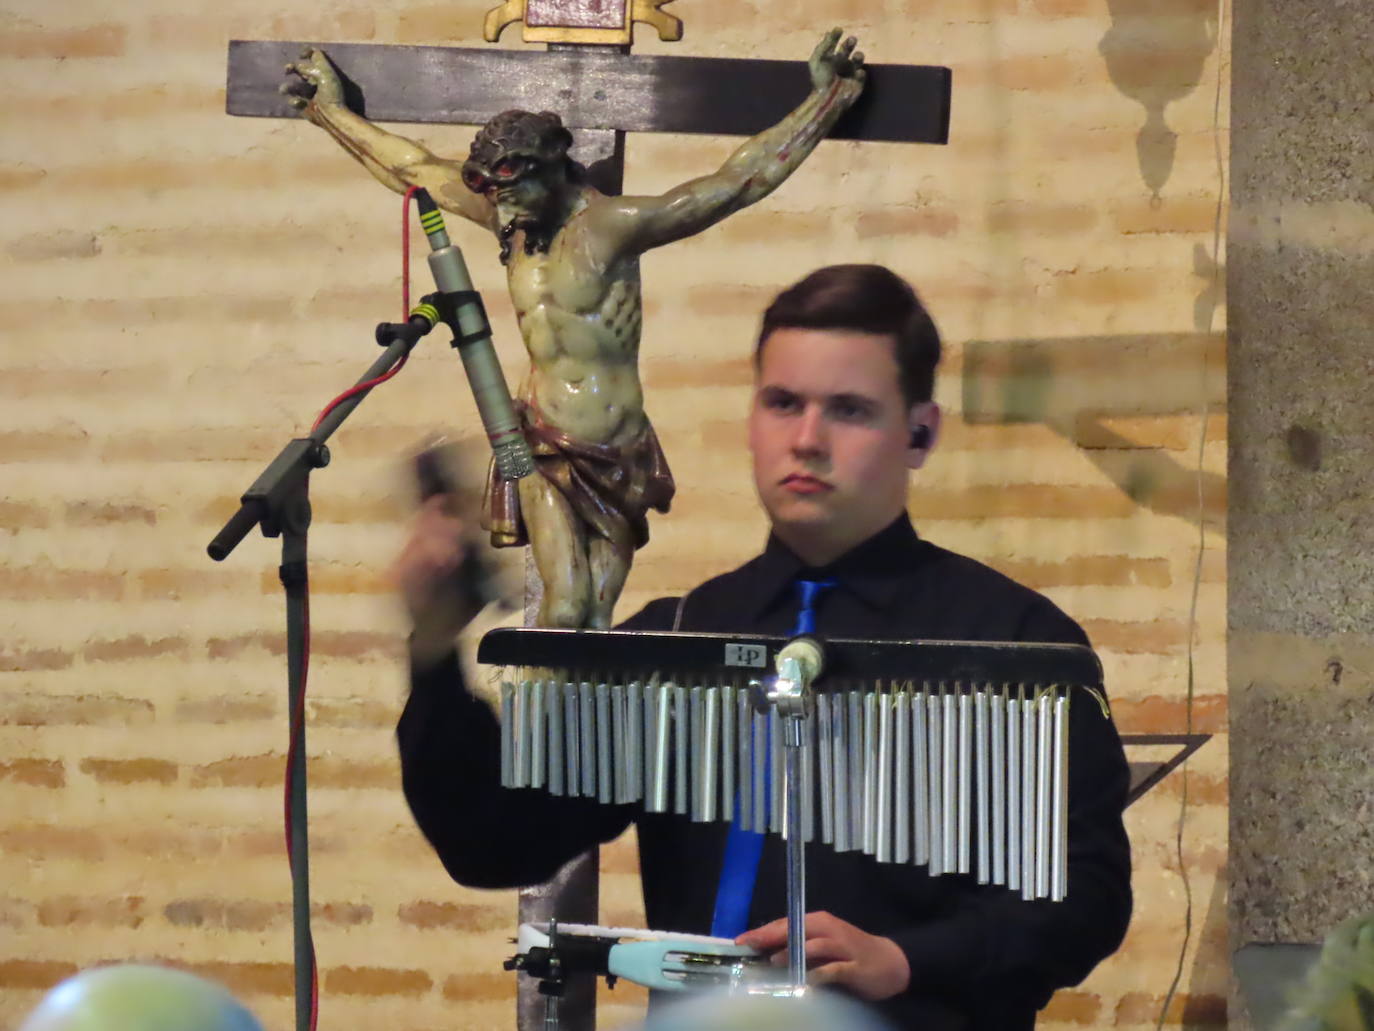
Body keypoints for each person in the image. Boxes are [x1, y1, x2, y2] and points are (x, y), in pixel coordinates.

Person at [395, 265, 1133, 1029]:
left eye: (849, 410)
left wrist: (910, 958)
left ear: (921, 432)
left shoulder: (1014, 642)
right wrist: (434, 649)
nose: (807, 440)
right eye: (784, 403)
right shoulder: (677, 638)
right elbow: (489, 842)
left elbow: (1088, 898)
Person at [284, 30, 866, 629]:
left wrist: (827, 102)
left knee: (594, 623)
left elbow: (737, 183)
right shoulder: (506, 219)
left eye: (513, 194)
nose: (504, 213)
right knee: (563, 611)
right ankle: (532, 724)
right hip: (541, 439)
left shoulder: (611, 228)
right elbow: (409, 165)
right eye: (496, 198)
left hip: (620, 449)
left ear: (551, 167)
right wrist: (329, 112)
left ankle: (571, 724)